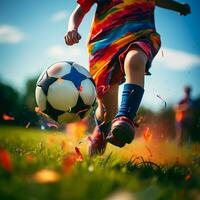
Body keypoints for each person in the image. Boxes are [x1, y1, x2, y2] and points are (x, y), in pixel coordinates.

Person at [65, 0, 191, 156]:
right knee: (107, 111)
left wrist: (179, 7)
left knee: (135, 60)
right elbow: (79, 11)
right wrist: (72, 29)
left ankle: (125, 117)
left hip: (140, 33)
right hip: (105, 43)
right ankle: (102, 128)